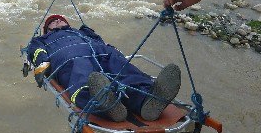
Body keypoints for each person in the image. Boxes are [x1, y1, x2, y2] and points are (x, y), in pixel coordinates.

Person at [27, 14, 182, 122]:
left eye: (59, 20)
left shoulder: (81, 32)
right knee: (83, 77)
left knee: (122, 68)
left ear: (67, 23)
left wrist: (114, 51)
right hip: (71, 56)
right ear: (46, 30)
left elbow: (101, 41)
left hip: (101, 52)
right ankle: (104, 105)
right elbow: (37, 52)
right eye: (52, 22)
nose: (56, 22)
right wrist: (42, 65)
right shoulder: (41, 39)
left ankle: (146, 100)